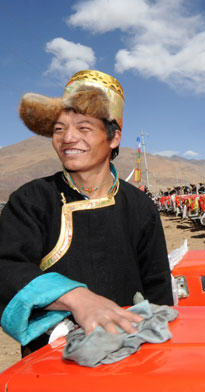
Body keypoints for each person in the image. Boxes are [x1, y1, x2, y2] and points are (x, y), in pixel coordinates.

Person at [0, 70, 173, 355]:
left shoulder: (140, 207)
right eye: (59, 128)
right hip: (52, 361)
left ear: (114, 137)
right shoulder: (32, 201)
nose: (68, 138)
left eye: (83, 127)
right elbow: (5, 267)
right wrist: (74, 297)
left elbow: (159, 294)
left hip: (132, 355)